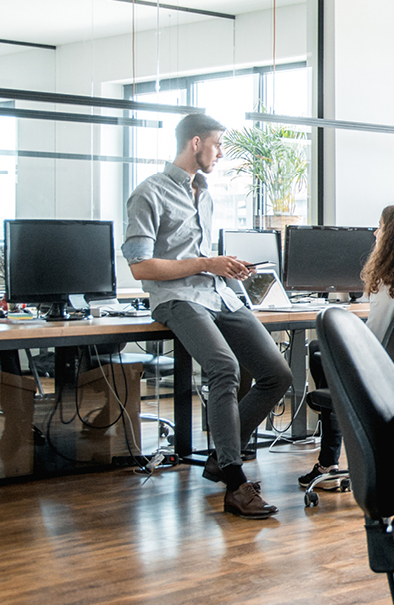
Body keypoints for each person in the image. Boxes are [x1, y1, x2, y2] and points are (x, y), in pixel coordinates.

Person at [123, 113, 292, 519]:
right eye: (217, 145)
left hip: (219, 296)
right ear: (195, 143)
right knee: (223, 367)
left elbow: (204, 262)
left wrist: (228, 271)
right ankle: (235, 482)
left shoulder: (206, 193)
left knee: (278, 374)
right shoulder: (150, 193)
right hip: (177, 299)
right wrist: (205, 263)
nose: (220, 153)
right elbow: (141, 267)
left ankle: (220, 455)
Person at [299, 204, 394, 489]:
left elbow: (372, 343)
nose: (375, 233)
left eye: (380, 227)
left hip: (380, 377)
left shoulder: (386, 283)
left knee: (318, 353)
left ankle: (330, 460)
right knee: (320, 351)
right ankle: (333, 458)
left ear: (393, 237)